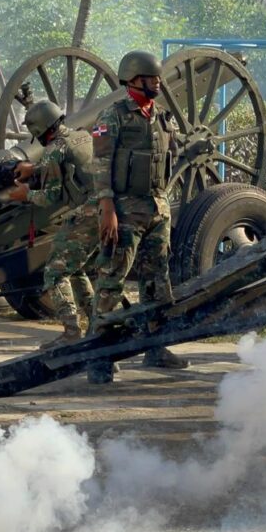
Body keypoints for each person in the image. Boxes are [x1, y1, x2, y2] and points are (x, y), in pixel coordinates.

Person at [89, 50, 188, 383]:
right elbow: (100, 165)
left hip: (157, 208)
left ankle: (156, 348)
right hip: (125, 210)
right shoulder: (113, 116)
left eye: (158, 78)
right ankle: (97, 357)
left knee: (157, 281)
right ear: (133, 80)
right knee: (111, 280)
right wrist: (107, 208)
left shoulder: (160, 116)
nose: (157, 83)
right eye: (151, 79)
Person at [7, 100, 98, 349]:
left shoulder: (53, 150)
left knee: (55, 272)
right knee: (75, 268)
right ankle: (95, 325)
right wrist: (35, 170)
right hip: (106, 208)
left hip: (89, 213)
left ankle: (71, 331)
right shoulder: (81, 136)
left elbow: (50, 197)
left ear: (40, 130)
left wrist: (24, 194)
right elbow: (68, 167)